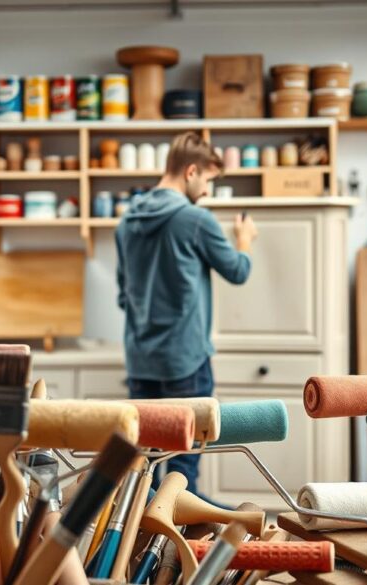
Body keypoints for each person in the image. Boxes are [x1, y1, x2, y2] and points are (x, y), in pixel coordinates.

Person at [115, 132, 258, 495]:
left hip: (140, 362)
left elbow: (124, 295)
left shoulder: (127, 221)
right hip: (186, 363)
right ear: (191, 171)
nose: (208, 190)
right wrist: (244, 240)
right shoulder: (195, 220)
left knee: (141, 471)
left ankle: (136, 549)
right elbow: (238, 271)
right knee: (181, 474)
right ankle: (175, 550)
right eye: (208, 180)